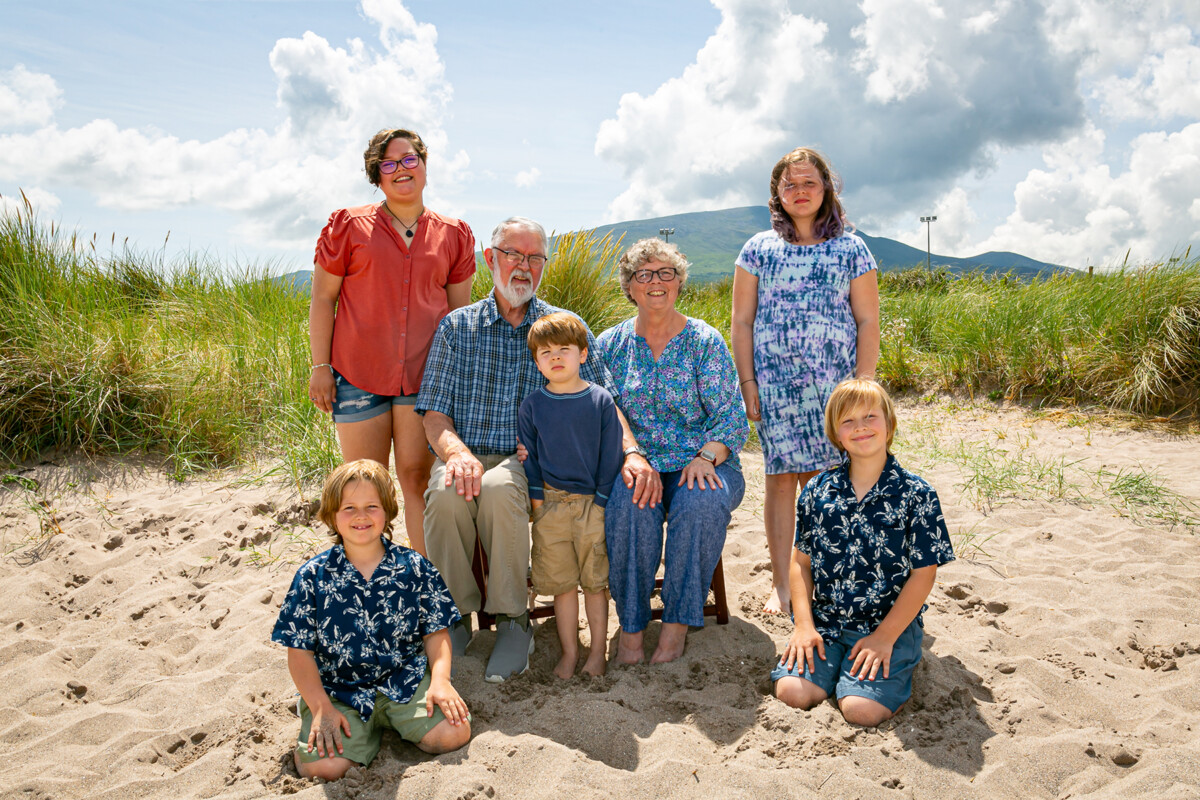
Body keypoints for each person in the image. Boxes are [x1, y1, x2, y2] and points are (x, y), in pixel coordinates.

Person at [416, 217, 636, 683]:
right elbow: (433, 414)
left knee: (498, 490)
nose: (523, 266)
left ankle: (513, 622)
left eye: (535, 257)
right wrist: (455, 453)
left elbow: (606, 401)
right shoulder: (457, 328)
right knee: (446, 493)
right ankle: (454, 621)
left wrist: (632, 452)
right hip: (463, 451)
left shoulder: (561, 329)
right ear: (490, 259)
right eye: (513, 254)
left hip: (524, 462)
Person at [308, 128, 476, 556]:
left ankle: (423, 584)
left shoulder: (454, 234)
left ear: (423, 165)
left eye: (409, 160)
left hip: (423, 379)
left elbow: (460, 320)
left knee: (416, 480)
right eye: (389, 163)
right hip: (358, 374)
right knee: (364, 486)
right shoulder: (348, 226)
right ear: (377, 175)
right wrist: (320, 367)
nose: (401, 169)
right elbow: (323, 299)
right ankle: (371, 585)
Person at [731, 146, 880, 617]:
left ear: (825, 190)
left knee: (826, 484)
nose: (799, 192)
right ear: (777, 192)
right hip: (775, 386)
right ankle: (780, 584)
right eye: (790, 184)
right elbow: (742, 322)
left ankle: (822, 580)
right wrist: (748, 382)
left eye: (809, 183)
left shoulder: (852, 248)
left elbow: (868, 322)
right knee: (780, 481)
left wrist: (864, 388)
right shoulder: (757, 249)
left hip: (835, 390)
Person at [596, 238, 749, 665]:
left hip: (703, 460)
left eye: (666, 273)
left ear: (680, 281)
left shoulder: (704, 340)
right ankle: (631, 630)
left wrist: (706, 457)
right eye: (643, 274)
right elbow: (605, 414)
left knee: (700, 503)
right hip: (639, 463)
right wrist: (631, 455)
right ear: (630, 287)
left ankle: (676, 628)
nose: (656, 282)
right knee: (629, 506)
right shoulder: (610, 345)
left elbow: (732, 418)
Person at [271, 459, 470, 781]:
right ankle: (336, 724)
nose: (361, 516)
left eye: (371, 506)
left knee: (452, 734)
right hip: (338, 691)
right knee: (323, 769)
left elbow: (436, 632)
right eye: (348, 507)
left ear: (388, 510)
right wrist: (321, 707)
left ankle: (390, 722)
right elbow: (299, 651)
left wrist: (440, 680)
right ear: (332, 515)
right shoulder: (312, 576)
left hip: (404, 681)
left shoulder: (414, 567)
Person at [772, 379, 954, 727]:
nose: (861, 427)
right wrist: (804, 627)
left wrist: (884, 638)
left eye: (870, 416)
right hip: (826, 622)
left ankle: (893, 663)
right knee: (793, 693)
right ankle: (837, 668)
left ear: (889, 424)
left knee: (860, 710)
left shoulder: (917, 493)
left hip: (887, 625)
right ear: (836, 434)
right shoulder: (818, 490)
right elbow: (800, 562)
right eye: (848, 421)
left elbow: (924, 573)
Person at [518, 312, 623, 679]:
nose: (556, 357)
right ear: (537, 362)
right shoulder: (533, 404)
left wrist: (602, 502)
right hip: (551, 505)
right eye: (546, 352)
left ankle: (596, 652)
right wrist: (537, 502)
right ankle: (568, 652)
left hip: (592, 505)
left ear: (582, 354)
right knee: (561, 585)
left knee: (594, 583)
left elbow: (611, 456)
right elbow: (529, 456)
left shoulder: (600, 401)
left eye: (564, 349)